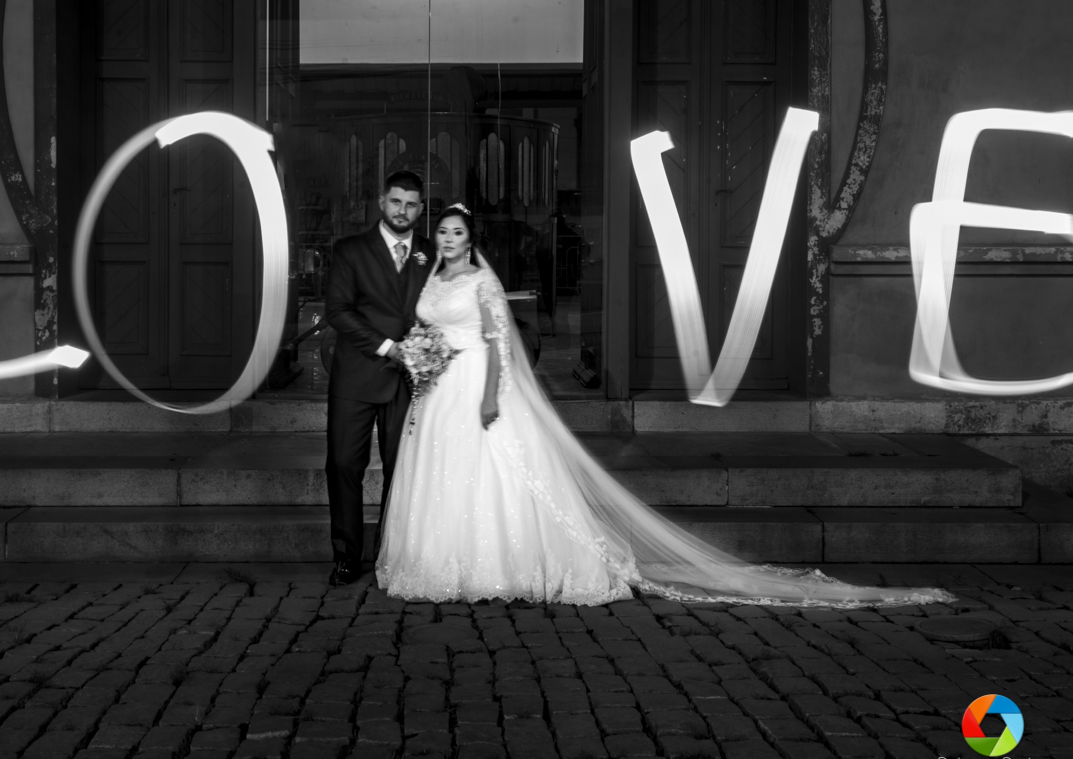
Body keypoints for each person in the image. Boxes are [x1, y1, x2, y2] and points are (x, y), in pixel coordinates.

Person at [376, 204, 956, 607]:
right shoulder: (432, 278)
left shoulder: (481, 282)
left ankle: (502, 566)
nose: (447, 239)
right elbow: (427, 325)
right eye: (442, 232)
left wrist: (487, 396)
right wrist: (420, 354)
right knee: (442, 473)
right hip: (437, 390)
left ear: (471, 240)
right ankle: (438, 563)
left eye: (457, 232)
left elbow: (499, 344)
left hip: (475, 383)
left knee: (492, 473)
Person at [324, 171, 435, 587]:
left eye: (411, 204)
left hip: (409, 382)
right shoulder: (350, 250)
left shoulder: (432, 252)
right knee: (342, 465)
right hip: (356, 375)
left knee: (401, 469)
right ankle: (346, 556)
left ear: (421, 209)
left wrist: (428, 350)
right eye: (396, 202)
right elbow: (338, 311)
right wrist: (390, 347)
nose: (402, 210)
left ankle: (388, 553)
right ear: (381, 202)